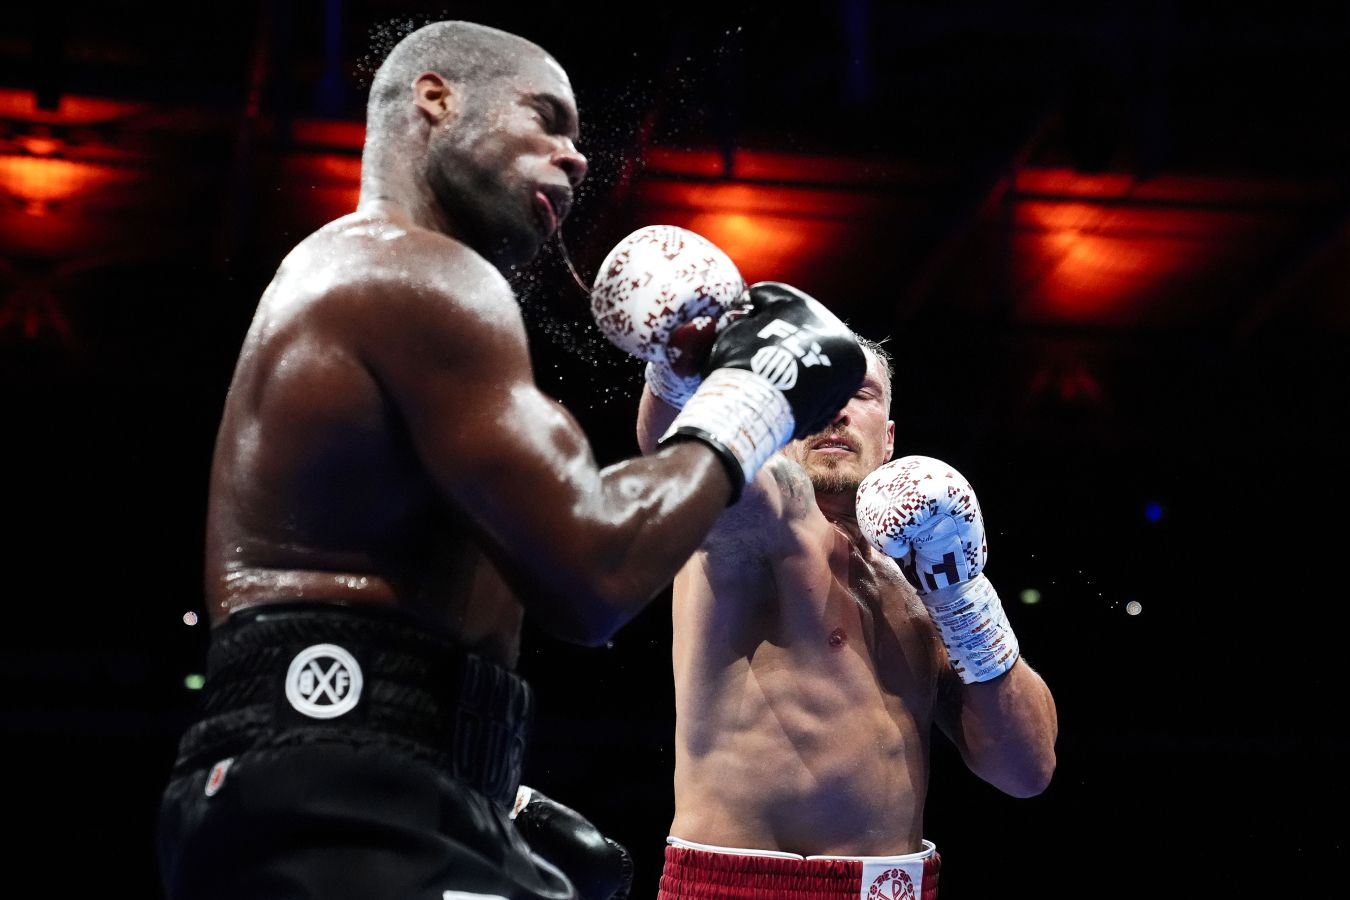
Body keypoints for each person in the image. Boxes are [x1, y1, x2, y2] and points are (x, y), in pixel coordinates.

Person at [155, 22, 868, 900]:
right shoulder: (406, 270)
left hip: (363, 776)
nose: (576, 157)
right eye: (546, 119)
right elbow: (594, 571)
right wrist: (755, 395)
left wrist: (492, 785)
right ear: (436, 98)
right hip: (334, 794)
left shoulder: (400, 294)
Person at [591, 228, 1059, 900]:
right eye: (821, 391)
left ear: (888, 438)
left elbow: (1026, 770)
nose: (839, 408)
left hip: (900, 887)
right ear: (777, 421)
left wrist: (963, 594)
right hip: (744, 888)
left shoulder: (921, 576)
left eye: (862, 393)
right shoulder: (766, 519)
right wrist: (678, 363)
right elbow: (681, 447)